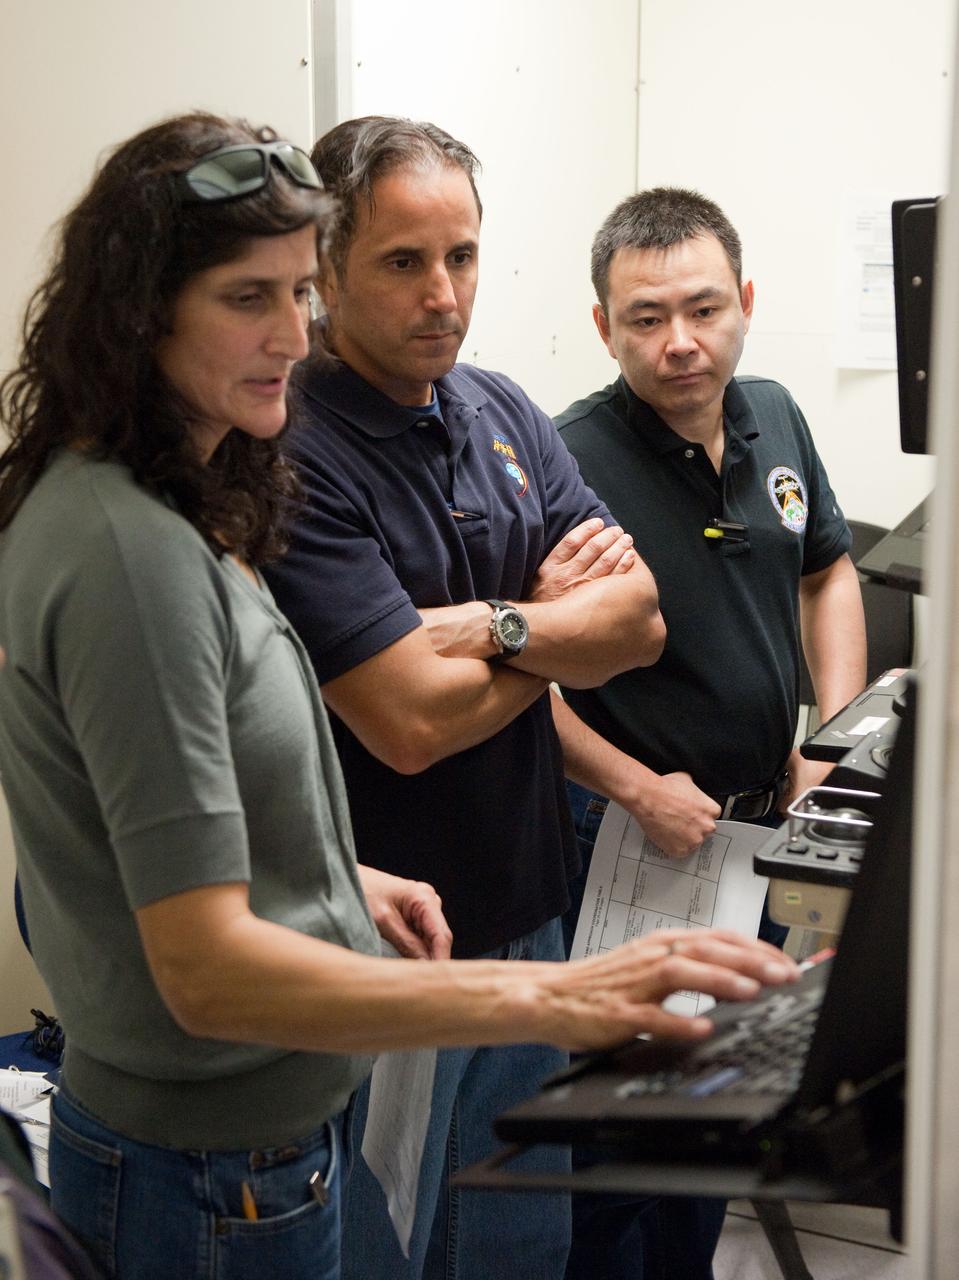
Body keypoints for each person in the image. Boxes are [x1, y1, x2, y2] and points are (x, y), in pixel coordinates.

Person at [0, 117, 797, 1280]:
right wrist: (555, 988)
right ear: (137, 308)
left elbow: (635, 619)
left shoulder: (198, 495)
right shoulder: (133, 543)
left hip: (289, 1088)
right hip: (211, 1151)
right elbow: (217, 949)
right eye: (247, 297)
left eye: (293, 291)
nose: (289, 332)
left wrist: (337, 864)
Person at [262, 117, 714, 1280]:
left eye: (461, 257)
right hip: (392, 937)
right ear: (324, 266)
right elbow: (404, 726)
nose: (444, 295)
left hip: (531, 911)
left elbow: (641, 620)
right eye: (404, 262)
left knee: (518, 1239)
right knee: (394, 1247)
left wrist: (493, 625)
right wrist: (557, 634)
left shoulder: (498, 410)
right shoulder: (291, 451)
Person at [553, 187, 868, 1278]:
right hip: (629, 842)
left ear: (742, 301)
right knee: (611, 1146)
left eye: (700, 308)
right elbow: (519, 678)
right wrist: (634, 783)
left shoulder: (771, 413)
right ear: (602, 325)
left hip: (756, 836)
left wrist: (824, 734)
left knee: (713, 1121)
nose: (677, 342)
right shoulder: (565, 460)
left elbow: (826, 565)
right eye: (643, 318)